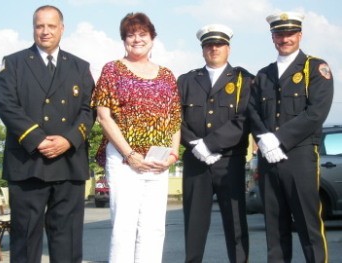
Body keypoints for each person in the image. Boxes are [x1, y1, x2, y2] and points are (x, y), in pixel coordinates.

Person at [0, 5, 95, 263]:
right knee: (26, 239)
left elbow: (89, 109)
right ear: (33, 28)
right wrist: (37, 139)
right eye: (40, 26)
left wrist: (68, 140)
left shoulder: (80, 66)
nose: (45, 31)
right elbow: (6, 105)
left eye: (51, 26)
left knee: (67, 240)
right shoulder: (14, 63)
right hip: (28, 162)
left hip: (69, 162)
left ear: (62, 28)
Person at [90, 12, 181, 263]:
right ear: (123, 40)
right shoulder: (112, 70)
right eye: (131, 35)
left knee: (154, 228)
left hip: (158, 161)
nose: (137, 39)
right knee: (124, 227)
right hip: (123, 160)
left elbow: (174, 120)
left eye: (142, 34)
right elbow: (103, 116)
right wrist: (130, 155)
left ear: (153, 38)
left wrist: (172, 155)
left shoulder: (167, 75)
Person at [248, 11, 334, 262]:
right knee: (274, 229)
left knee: (309, 225)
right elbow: (252, 110)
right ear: (272, 37)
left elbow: (316, 113)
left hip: (300, 156)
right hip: (268, 158)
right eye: (279, 34)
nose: (284, 39)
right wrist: (264, 139)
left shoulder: (315, 68)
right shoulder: (264, 74)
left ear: (300, 35)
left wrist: (279, 138)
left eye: (289, 33)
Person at [178, 24, 253, 263]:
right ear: (202, 50)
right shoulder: (186, 81)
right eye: (209, 45)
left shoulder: (245, 80)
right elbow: (173, 118)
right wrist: (194, 145)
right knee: (194, 224)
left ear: (228, 49)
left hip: (229, 162)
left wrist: (210, 144)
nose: (214, 48)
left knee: (236, 223)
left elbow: (245, 119)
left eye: (219, 44)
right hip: (195, 161)